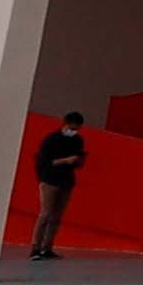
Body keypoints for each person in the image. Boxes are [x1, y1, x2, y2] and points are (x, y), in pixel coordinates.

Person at [27, 112, 87, 263]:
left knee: (57, 217)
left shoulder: (78, 140)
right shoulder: (51, 139)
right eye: (72, 128)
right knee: (46, 213)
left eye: (77, 129)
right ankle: (35, 247)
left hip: (66, 181)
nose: (74, 131)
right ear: (65, 124)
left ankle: (47, 247)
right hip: (49, 180)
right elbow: (45, 162)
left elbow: (79, 160)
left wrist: (78, 161)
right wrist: (66, 160)